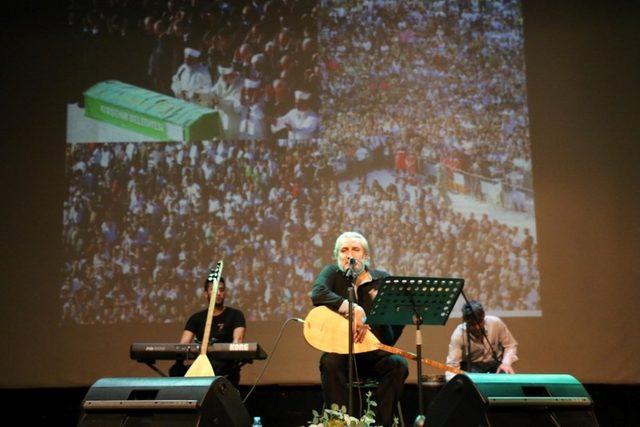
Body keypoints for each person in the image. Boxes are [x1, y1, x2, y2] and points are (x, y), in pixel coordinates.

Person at [311, 231, 408, 427]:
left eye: (356, 249)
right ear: (337, 256)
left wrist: (376, 318)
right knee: (329, 362)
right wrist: (351, 307)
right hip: (342, 353)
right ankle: (340, 422)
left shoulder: (381, 279)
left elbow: (397, 322)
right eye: (344, 250)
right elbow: (317, 293)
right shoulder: (332, 273)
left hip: (374, 353)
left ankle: (382, 423)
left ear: (366, 256)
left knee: (399, 364)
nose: (350, 254)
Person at [169, 275, 246, 386]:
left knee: (218, 367)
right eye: (214, 290)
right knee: (176, 370)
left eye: (222, 290)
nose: (218, 293)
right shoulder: (196, 318)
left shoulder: (235, 315)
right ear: (206, 293)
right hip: (201, 364)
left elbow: (237, 341)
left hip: (224, 365)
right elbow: (183, 344)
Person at [445, 300, 518, 381]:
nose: (477, 327)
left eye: (480, 322)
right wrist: (455, 383)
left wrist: (506, 363)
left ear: (483, 316)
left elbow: (510, 345)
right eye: (472, 324)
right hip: (471, 369)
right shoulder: (459, 334)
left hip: (494, 365)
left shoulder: (496, 323)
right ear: (465, 321)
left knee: (506, 375)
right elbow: (452, 365)